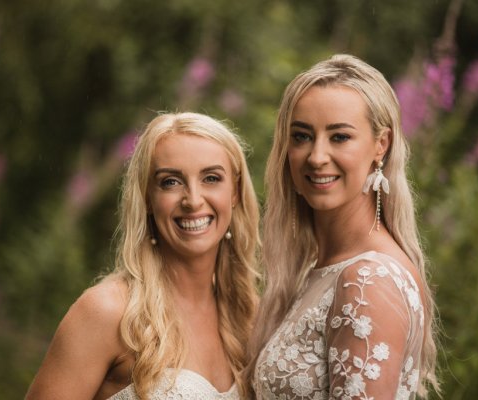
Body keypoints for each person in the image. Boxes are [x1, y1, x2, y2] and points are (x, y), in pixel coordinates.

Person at [26, 112, 260, 400]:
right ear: (148, 197)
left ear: (234, 192)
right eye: (171, 182)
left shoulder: (249, 319)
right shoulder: (107, 312)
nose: (193, 200)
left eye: (211, 178)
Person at [247, 54, 439, 399]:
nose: (317, 156)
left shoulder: (367, 280)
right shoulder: (319, 270)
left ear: (381, 145)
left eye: (339, 137)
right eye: (302, 136)